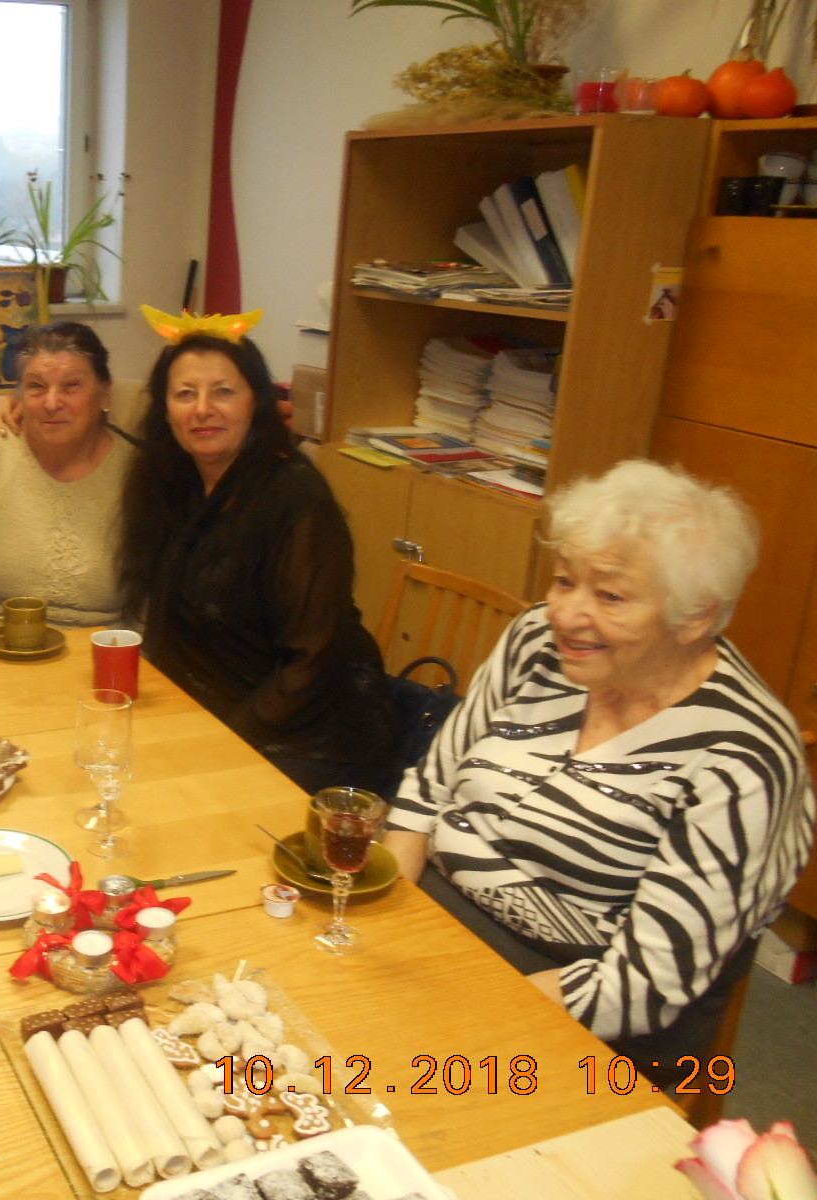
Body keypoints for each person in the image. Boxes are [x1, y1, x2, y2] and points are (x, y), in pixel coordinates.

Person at [383, 461, 816, 1082]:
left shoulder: (743, 758)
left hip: (575, 1010)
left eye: (610, 596)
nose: (565, 614)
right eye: (565, 580)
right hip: (433, 925)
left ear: (696, 616)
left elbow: (644, 983)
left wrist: (459, 1016)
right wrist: (385, 918)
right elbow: (430, 790)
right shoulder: (538, 641)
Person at [118, 309, 396, 794]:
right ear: (165, 410)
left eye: (223, 391)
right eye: (185, 394)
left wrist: (220, 745)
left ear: (257, 402)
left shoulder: (296, 501)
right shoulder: (172, 482)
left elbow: (312, 661)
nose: (203, 409)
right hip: (205, 717)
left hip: (303, 737)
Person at [0, 322, 133, 644]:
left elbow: (154, 597)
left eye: (71, 386)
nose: (52, 402)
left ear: (105, 393)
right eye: (37, 386)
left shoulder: (138, 470)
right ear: (18, 394)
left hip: (101, 661)